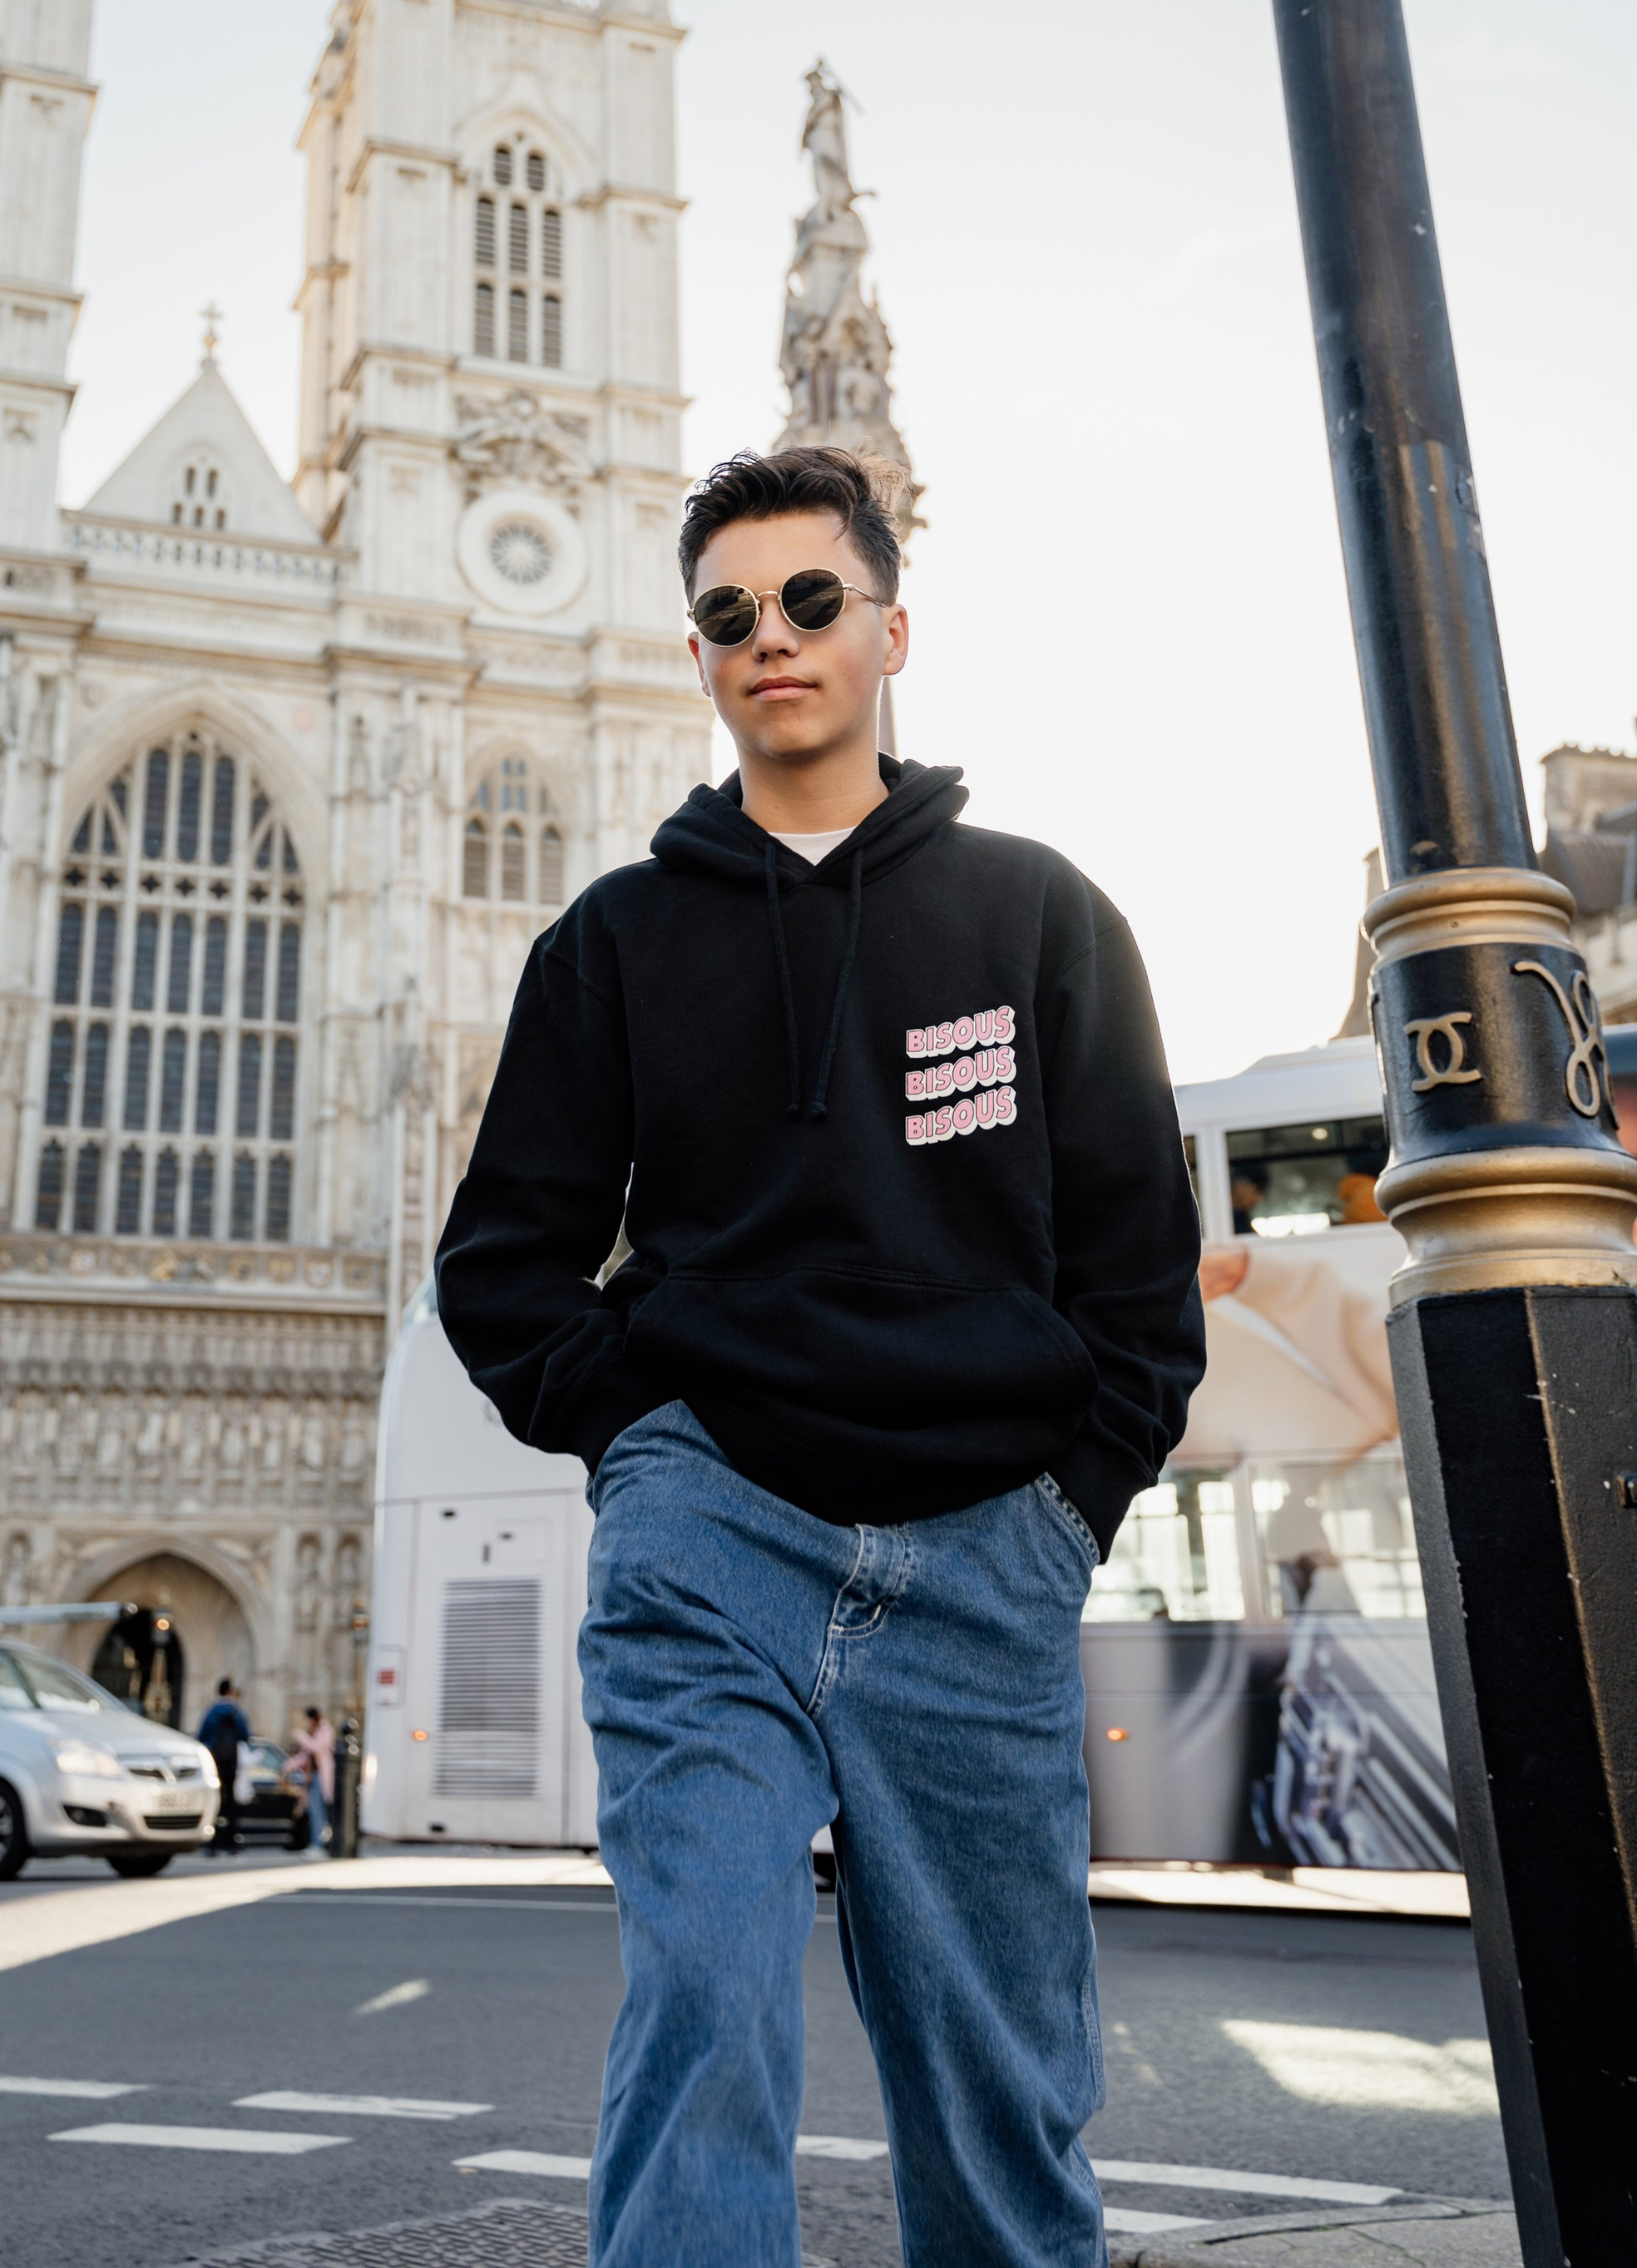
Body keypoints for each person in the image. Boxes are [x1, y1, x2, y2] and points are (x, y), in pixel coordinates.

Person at [436, 445, 1204, 2268]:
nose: (766, 637)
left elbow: (1136, 1266)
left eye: (805, 600)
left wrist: (1061, 1502)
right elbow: (503, 1260)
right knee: (704, 1995)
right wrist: (642, 1443)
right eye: (724, 615)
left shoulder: (1038, 912)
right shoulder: (612, 939)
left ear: (887, 627)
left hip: (980, 1555)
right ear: (694, 658)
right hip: (713, 1539)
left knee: (995, 2072)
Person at [196, 1677, 251, 1851]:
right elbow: (245, 1735)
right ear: (229, 1691)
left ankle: (214, 1843)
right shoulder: (237, 1712)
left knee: (216, 1801)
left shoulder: (212, 1711)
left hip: (216, 1762)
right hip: (231, 1762)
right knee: (231, 1803)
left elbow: (202, 1735)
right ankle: (232, 1842)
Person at [283, 1705, 334, 1852]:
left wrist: (301, 1737)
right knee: (313, 1812)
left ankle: (319, 1845)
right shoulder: (313, 1732)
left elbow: (316, 1748)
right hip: (312, 1777)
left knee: (319, 1813)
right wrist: (287, 1766)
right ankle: (316, 1843)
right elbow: (304, 1756)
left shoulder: (326, 1731)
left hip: (321, 1777)